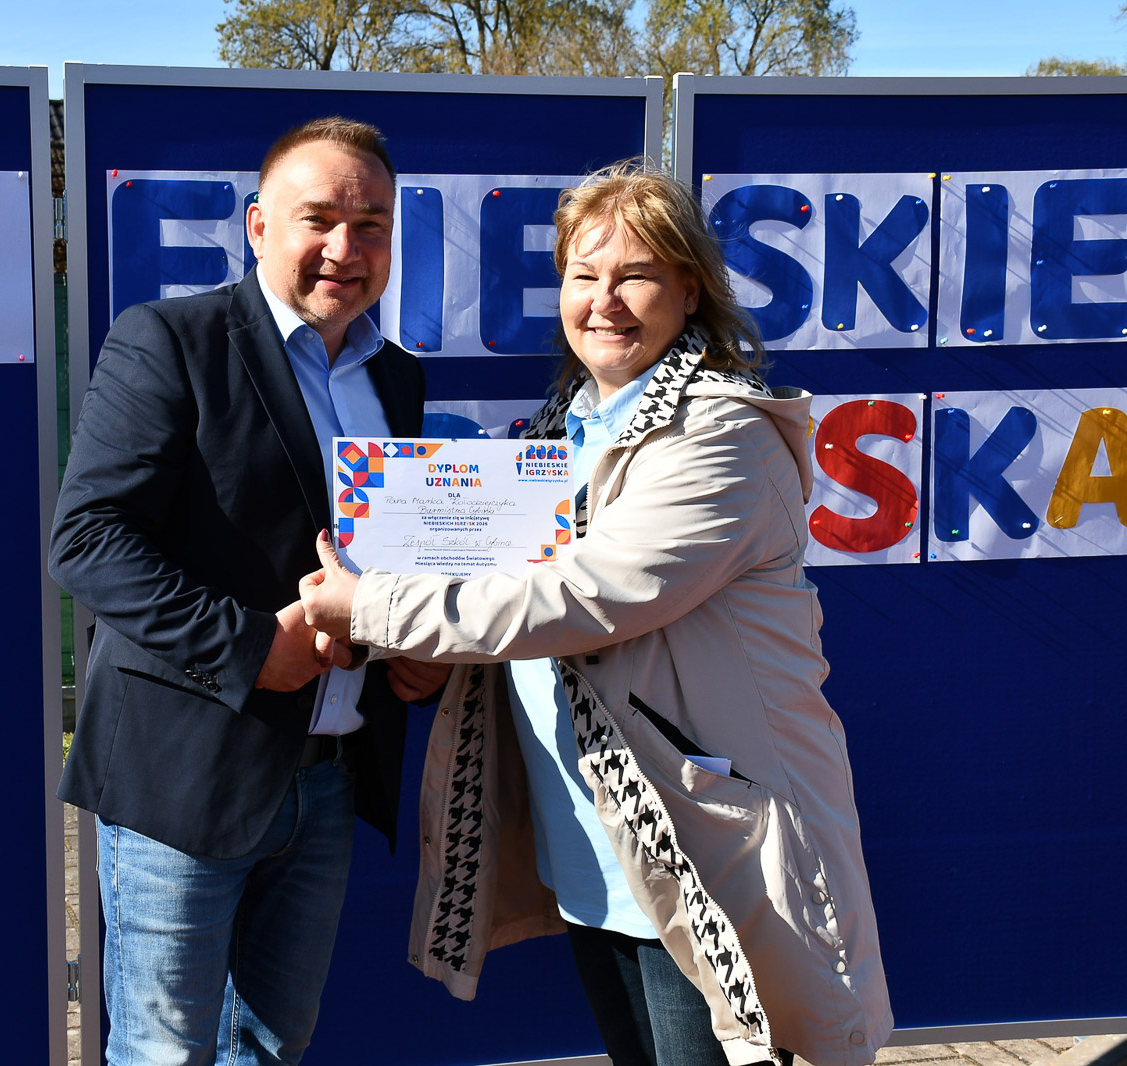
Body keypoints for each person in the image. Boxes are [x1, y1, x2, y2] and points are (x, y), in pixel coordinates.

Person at [299, 160, 892, 1066]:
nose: (604, 302)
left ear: (690, 291)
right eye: (585, 275)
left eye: (636, 276)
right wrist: (434, 656)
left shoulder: (722, 434)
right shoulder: (563, 431)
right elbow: (508, 599)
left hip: (702, 843)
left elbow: (582, 598)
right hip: (599, 847)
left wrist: (373, 606)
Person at [49, 117, 447, 1066]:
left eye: (372, 225)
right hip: (182, 775)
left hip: (329, 771)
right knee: (164, 1050)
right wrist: (250, 647)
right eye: (320, 219)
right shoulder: (169, 340)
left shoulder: (396, 377)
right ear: (259, 226)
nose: (346, 248)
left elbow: (379, 558)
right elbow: (88, 540)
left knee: (273, 1046)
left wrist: (416, 646)